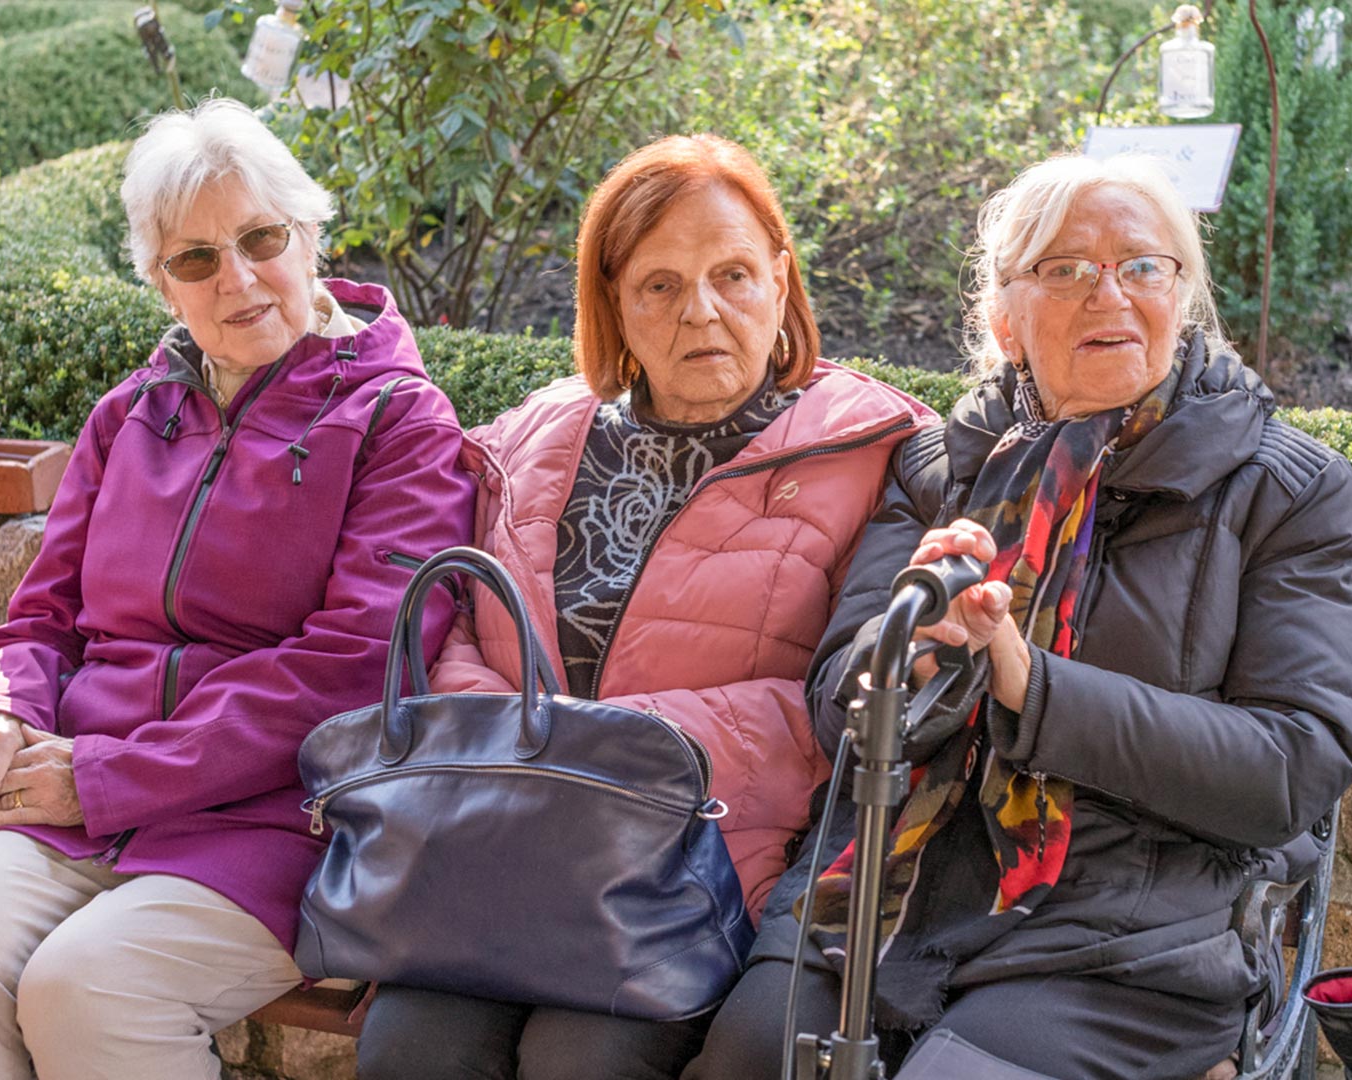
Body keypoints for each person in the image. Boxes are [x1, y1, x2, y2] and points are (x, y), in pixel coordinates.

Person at [686, 154, 1352, 1080]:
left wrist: (1025, 679)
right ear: (1005, 320)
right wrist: (916, 656)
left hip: (1127, 934)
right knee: (745, 1062)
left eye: (1143, 266)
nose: (1110, 294)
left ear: (1183, 298)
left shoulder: (1286, 491)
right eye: (1066, 270)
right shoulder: (941, 466)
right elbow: (836, 700)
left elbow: (1295, 767)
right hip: (884, 894)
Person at [0, 98, 476, 1080]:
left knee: (88, 984)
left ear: (310, 236)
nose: (237, 278)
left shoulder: (398, 421)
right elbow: (42, 619)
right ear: (161, 282)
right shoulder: (127, 418)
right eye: (196, 259)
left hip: (281, 822)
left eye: (261, 238)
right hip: (82, 793)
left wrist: (110, 776)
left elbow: (354, 671)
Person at [353, 134, 937, 1080]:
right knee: (410, 1048)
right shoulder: (535, 436)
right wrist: (520, 748)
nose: (700, 312)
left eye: (734, 275)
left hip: (703, 866)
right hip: (506, 845)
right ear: (614, 302)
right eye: (659, 286)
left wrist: (609, 752)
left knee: (581, 1056)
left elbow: (834, 704)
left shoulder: (872, 452)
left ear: (782, 279)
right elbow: (459, 625)